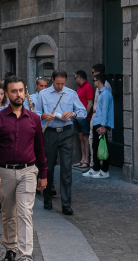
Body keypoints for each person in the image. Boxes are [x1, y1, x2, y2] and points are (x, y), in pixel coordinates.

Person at [0, 76, 48, 261]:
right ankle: (10, 247)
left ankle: (25, 259)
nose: (18, 94)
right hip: (4, 172)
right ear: (7, 94)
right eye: (14, 91)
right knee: (8, 212)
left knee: (25, 213)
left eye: (20, 91)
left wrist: (43, 174)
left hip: (29, 171)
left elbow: (40, 149)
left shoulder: (34, 119)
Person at [34, 70, 87, 215]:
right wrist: (43, 115)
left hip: (66, 132)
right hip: (50, 133)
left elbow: (83, 112)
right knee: (48, 168)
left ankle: (66, 204)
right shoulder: (43, 94)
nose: (60, 86)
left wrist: (73, 114)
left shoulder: (70, 93)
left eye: (62, 83)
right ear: (52, 81)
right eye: (57, 83)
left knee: (66, 169)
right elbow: (36, 114)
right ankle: (47, 199)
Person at [86, 73, 114, 179]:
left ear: (98, 81)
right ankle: (96, 168)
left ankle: (104, 170)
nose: (93, 82)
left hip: (101, 124)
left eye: (94, 80)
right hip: (97, 122)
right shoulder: (102, 93)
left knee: (102, 146)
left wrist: (103, 126)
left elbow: (105, 111)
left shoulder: (105, 94)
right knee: (96, 146)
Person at [73, 71, 95, 169]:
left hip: (85, 117)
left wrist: (85, 115)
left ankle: (86, 160)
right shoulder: (79, 88)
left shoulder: (88, 87)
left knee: (85, 138)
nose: (75, 80)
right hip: (78, 117)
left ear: (79, 77)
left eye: (75, 78)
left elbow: (90, 103)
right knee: (81, 137)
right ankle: (82, 159)